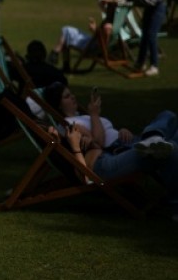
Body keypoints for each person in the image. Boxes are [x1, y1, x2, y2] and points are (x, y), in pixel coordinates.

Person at [42, 82, 178, 220]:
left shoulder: (81, 117)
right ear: (58, 105)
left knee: (168, 116)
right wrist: (94, 114)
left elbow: (103, 135)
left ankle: (153, 137)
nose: (72, 97)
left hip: (124, 144)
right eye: (67, 96)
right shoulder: (68, 125)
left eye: (71, 94)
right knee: (171, 147)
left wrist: (122, 131)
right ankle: (174, 201)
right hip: (107, 158)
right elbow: (99, 142)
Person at [102, 0, 165, 76]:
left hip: (157, 8)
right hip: (149, 9)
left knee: (151, 36)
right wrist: (112, 3)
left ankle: (154, 66)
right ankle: (140, 63)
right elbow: (128, 3)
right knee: (144, 37)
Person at [48, 4, 114, 72]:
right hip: (94, 43)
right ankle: (56, 57)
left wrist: (94, 30)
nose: (106, 8)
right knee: (67, 32)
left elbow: (103, 43)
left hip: (92, 47)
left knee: (66, 30)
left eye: (108, 7)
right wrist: (95, 28)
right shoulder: (115, 23)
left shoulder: (108, 27)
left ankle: (54, 55)